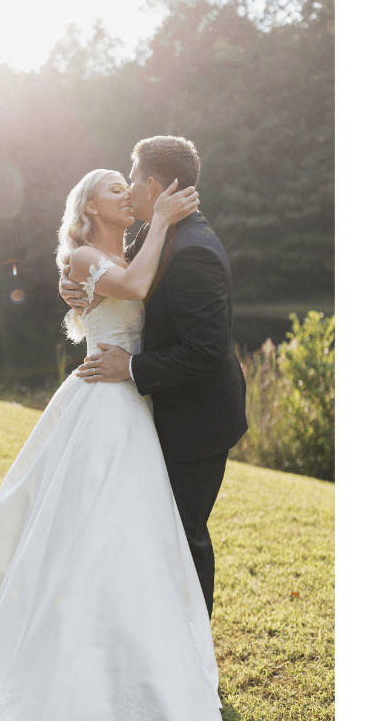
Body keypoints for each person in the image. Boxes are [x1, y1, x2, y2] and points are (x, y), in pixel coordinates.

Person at [0, 169, 228, 721]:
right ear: (89, 207)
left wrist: (162, 227)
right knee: (86, 527)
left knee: (133, 531)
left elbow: (148, 295)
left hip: (132, 401)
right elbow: (138, 285)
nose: (128, 195)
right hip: (103, 402)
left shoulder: (121, 249)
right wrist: (165, 221)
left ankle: (147, 650)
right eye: (114, 190)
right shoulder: (82, 259)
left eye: (131, 187)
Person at [60, 136, 248, 617]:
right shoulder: (153, 233)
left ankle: (192, 642)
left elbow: (206, 352)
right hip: (144, 406)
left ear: (156, 187)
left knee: (185, 533)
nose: (129, 191)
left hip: (198, 419)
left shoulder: (194, 252)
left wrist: (132, 367)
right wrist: (72, 281)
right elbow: (105, 269)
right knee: (135, 522)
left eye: (133, 179)